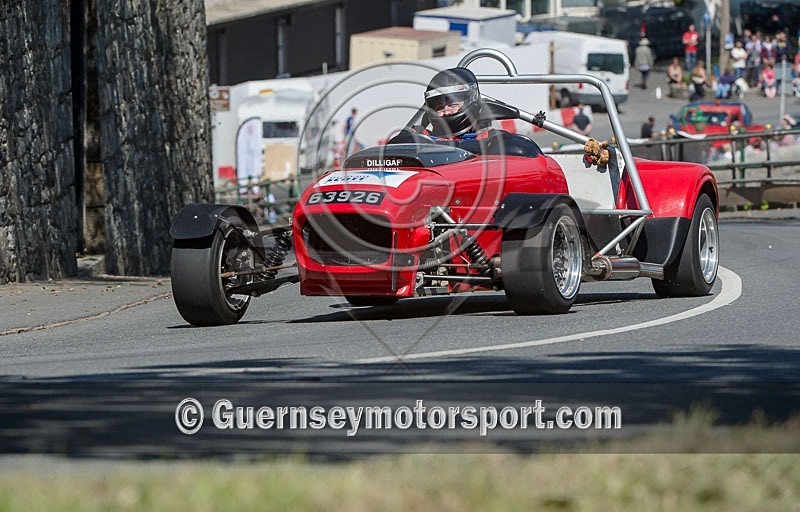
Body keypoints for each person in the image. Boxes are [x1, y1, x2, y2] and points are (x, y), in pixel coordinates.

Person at [423, 67, 483, 138]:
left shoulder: (492, 132)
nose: (446, 112)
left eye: (452, 105)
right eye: (440, 107)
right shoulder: (424, 136)